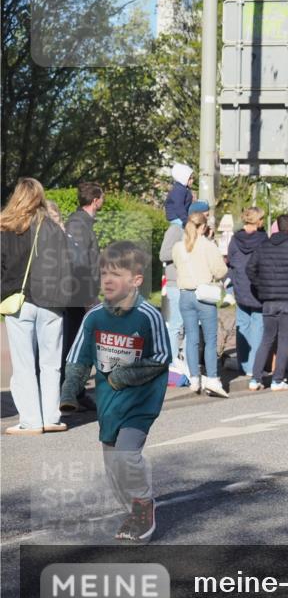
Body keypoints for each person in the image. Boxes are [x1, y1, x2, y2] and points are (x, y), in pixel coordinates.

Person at [61, 241, 170, 541]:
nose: (107, 280)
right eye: (104, 273)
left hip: (140, 401)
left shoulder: (148, 315)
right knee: (112, 466)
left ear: (136, 280)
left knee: (126, 455)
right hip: (108, 403)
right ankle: (134, 509)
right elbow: (77, 359)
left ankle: (143, 508)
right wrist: (69, 392)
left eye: (116, 274)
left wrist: (125, 375)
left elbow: (161, 359)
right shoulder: (94, 317)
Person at [1, 177, 73, 434]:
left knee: (23, 364)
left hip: (18, 300)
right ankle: (51, 418)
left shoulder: (6, 227)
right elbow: (67, 267)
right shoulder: (54, 229)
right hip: (52, 302)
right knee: (51, 363)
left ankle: (30, 420)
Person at [247, 213, 288, 391]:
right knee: (284, 340)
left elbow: (250, 269)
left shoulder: (263, 245)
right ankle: (277, 380)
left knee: (266, 338)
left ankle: (255, 378)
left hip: (268, 299)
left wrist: (261, 286)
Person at [172, 204, 228, 397]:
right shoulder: (208, 246)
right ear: (203, 227)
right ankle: (212, 378)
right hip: (203, 295)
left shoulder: (178, 247)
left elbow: (178, 266)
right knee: (210, 340)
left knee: (192, 338)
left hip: (185, 296)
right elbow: (221, 271)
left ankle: (194, 378)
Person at [62, 181, 103, 409]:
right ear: (95, 200)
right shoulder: (78, 224)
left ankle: (75, 392)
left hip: (81, 294)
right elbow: (79, 264)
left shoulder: (82, 223)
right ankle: (71, 393)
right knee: (78, 344)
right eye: (102, 197)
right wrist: (88, 297)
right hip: (79, 295)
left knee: (79, 343)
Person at [226, 207, 266, 376]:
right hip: (258, 287)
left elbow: (231, 261)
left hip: (240, 287)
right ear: (258, 221)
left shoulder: (235, 239)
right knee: (258, 326)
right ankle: (254, 367)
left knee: (243, 325)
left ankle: (244, 365)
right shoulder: (264, 239)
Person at [158, 205, 185, 372]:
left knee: (184, 324)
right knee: (175, 323)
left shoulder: (184, 227)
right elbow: (163, 254)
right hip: (175, 280)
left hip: (185, 280)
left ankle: (180, 360)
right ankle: (172, 362)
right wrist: (183, 252)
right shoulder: (175, 229)